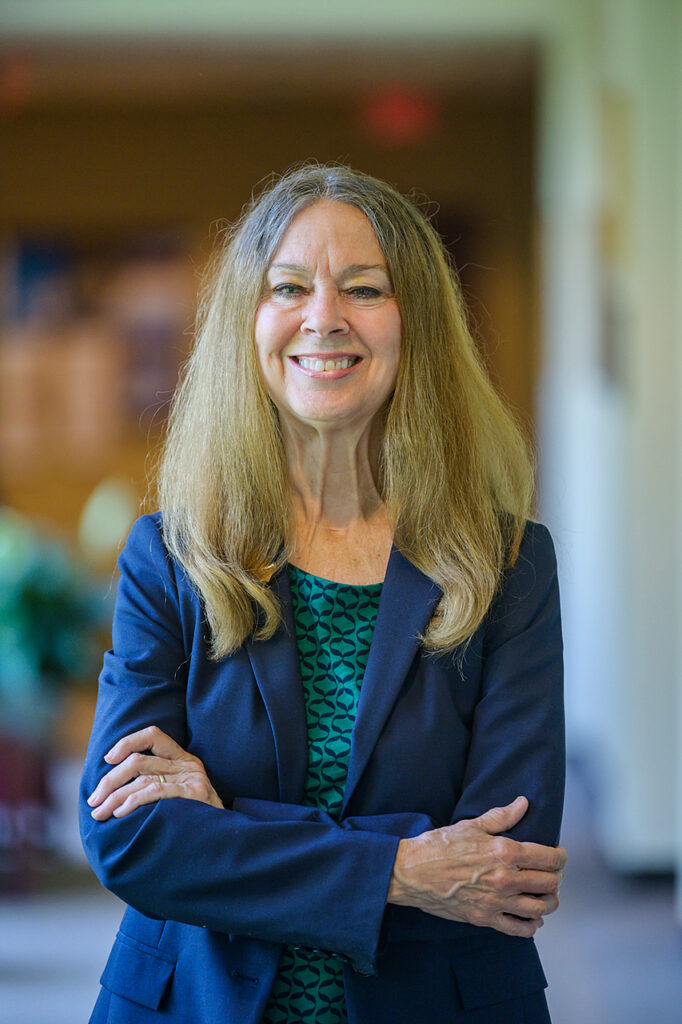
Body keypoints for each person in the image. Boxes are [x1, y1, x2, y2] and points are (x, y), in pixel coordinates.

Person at [80, 163, 566, 1024]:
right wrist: (404, 871)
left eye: (365, 289)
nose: (324, 317)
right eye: (290, 286)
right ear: (250, 323)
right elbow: (130, 838)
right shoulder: (172, 556)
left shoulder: (510, 565)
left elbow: (506, 867)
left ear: (415, 322)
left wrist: (225, 825)